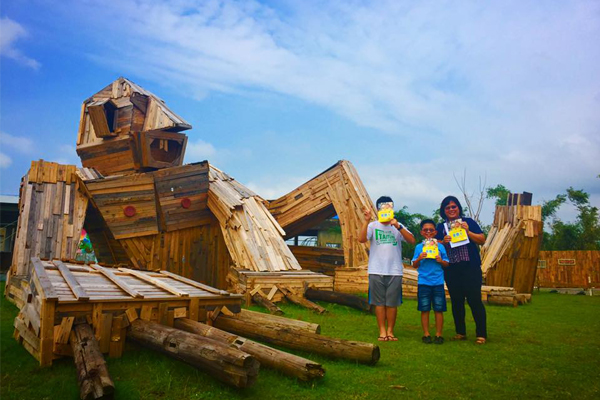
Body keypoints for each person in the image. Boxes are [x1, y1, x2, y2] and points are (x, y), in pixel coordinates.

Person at [358, 196, 415, 341]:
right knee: (379, 303)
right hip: (376, 270)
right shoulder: (373, 225)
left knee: (392, 303)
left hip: (394, 270)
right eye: (382, 207)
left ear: (392, 208)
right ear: (377, 209)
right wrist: (366, 221)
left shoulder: (397, 225)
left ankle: (390, 331)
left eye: (389, 206)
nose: (386, 209)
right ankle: (382, 331)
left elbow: (412, 240)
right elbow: (361, 239)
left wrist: (398, 226)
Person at [435, 196, 487, 344]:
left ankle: (481, 334)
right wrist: (442, 241)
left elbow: (482, 239)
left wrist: (468, 232)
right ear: (443, 211)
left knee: (474, 300)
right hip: (452, 269)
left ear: (458, 208)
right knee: (457, 301)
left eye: (453, 206)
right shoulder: (441, 227)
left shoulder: (468, 222)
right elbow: (434, 243)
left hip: (470, 267)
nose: (451, 209)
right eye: (447, 207)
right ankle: (460, 332)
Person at [412, 219, 449, 344]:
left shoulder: (440, 247)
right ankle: (426, 333)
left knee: (439, 309)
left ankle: (439, 334)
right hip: (423, 282)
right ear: (422, 232)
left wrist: (441, 260)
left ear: (435, 232)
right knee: (425, 309)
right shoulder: (419, 247)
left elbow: (447, 263)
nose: (428, 232)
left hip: (438, 282)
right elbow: (414, 265)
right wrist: (419, 258)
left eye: (431, 230)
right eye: (425, 230)